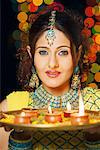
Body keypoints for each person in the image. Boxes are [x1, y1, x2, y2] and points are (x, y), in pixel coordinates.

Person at [0, 3, 100, 149]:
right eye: (43, 52)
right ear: (31, 54)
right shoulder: (11, 109)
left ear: (77, 54)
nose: (52, 64)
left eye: (63, 52)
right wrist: (20, 137)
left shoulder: (96, 105)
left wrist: (94, 137)